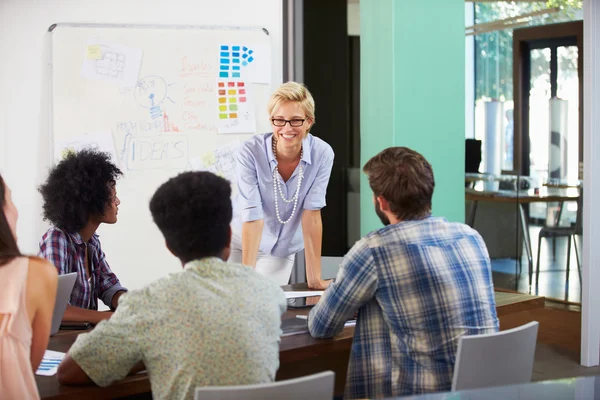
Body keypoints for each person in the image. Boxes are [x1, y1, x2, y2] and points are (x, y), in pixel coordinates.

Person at [57, 171, 287, 400]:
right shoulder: (268, 292)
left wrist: (147, 348)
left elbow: (69, 371)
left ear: (170, 246)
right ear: (229, 236)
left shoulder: (150, 304)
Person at [308, 147, 499, 398]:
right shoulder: (470, 236)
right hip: (485, 391)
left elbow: (322, 326)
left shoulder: (375, 249)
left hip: (422, 394)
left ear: (382, 201)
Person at [230, 81, 334, 288]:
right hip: (237, 239)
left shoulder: (322, 153)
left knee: (263, 306)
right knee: (229, 304)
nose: (287, 128)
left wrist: (314, 279)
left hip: (280, 248)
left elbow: (312, 215)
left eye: (296, 121)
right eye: (279, 120)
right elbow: (252, 216)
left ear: (309, 122)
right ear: (271, 121)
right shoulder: (249, 152)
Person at [38, 149, 127, 325]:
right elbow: (55, 309)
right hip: (55, 347)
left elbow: (108, 286)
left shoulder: (92, 242)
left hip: (79, 339)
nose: (118, 202)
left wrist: (132, 304)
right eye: (113, 197)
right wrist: (111, 317)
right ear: (91, 201)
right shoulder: (57, 239)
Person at [0, 173, 58, 399]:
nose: (16, 210)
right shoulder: (35, 273)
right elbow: (28, 367)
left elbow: (109, 284)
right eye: (9, 199)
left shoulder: (93, 244)